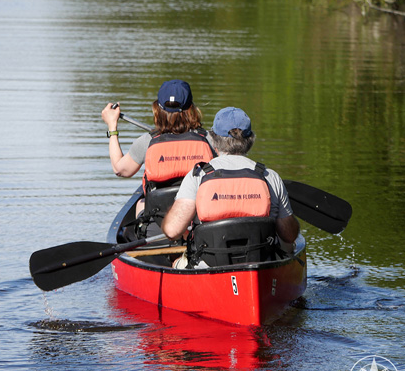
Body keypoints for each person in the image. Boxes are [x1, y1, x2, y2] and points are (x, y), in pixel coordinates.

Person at [162, 106, 299, 261]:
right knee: (288, 248)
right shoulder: (270, 177)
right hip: (260, 263)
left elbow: (172, 230)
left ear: (213, 139)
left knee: (176, 263)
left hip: (210, 266)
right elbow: (289, 235)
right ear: (250, 140)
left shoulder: (198, 176)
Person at [101, 80, 215, 217]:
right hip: (197, 219)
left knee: (141, 203)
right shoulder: (210, 140)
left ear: (157, 109)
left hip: (158, 221)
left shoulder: (147, 142)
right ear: (192, 109)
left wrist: (112, 127)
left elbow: (120, 170)